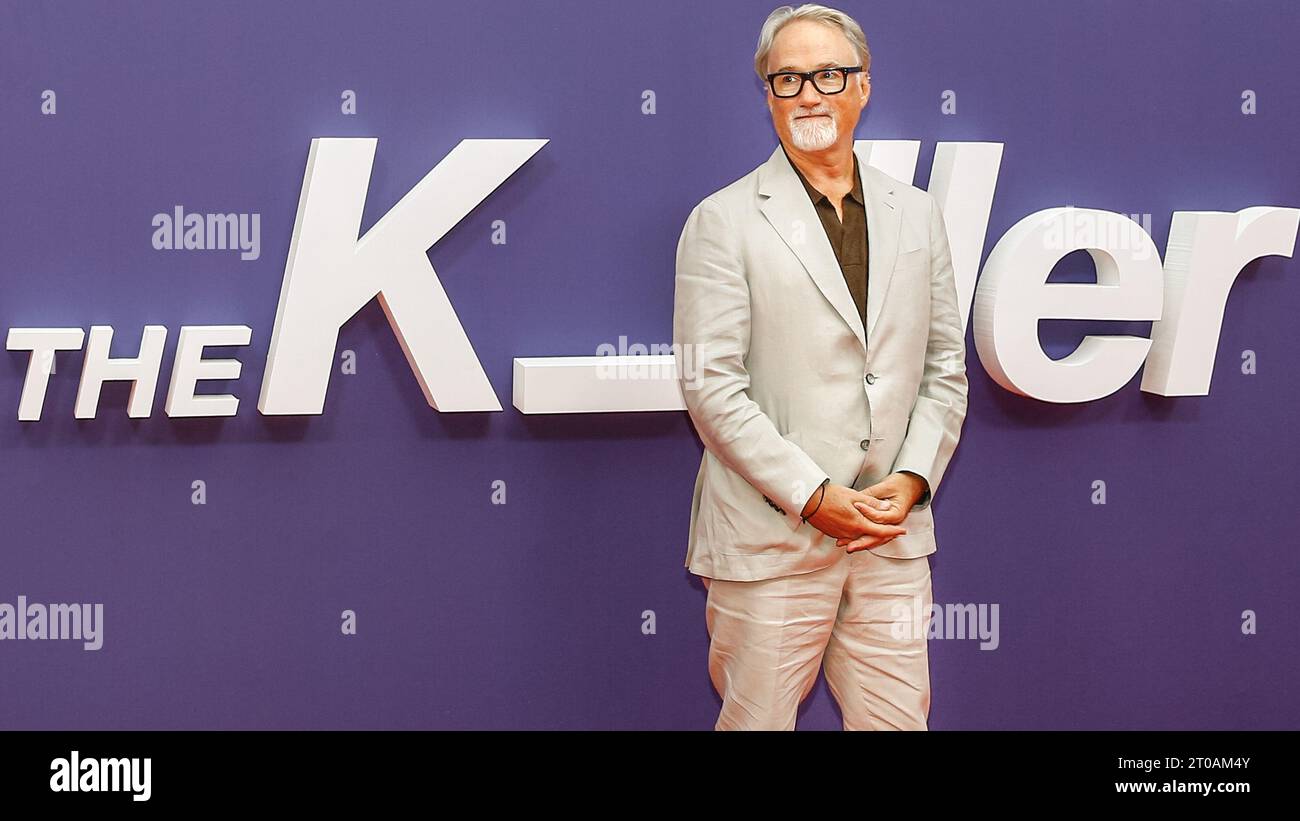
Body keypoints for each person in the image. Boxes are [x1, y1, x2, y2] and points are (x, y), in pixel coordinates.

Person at [672, 3, 969, 730]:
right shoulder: (724, 220)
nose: (809, 94)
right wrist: (812, 494)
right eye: (788, 79)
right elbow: (710, 386)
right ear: (767, 96)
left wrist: (913, 477)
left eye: (829, 75)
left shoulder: (918, 214)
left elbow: (943, 366)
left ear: (863, 86)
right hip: (772, 545)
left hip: (889, 541)